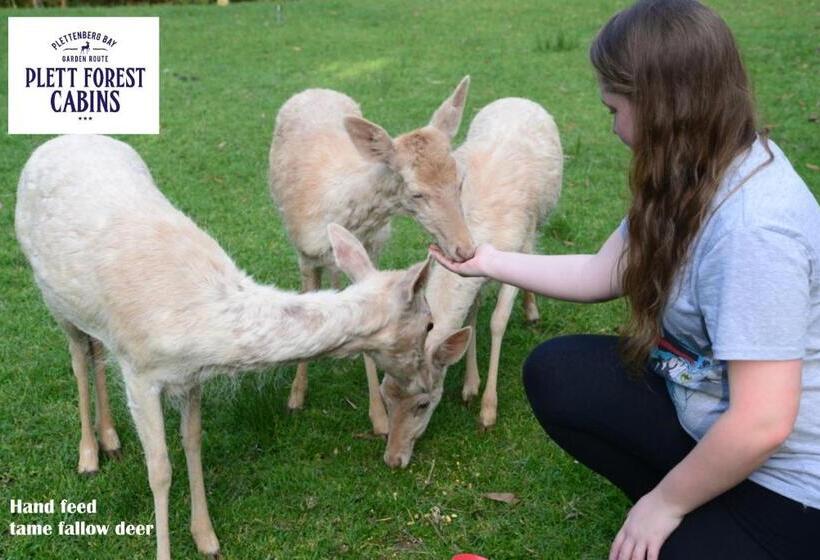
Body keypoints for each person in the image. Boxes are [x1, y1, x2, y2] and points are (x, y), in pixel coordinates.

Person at [429, 1, 819, 559]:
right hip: (710, 412)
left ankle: (693, 509)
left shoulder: (755, 229)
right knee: (558, 372)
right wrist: (488, 261)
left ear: (663, 107)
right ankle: (699, 502)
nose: (611, 124)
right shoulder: (693, 172)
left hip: (792, 486)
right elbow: (599, 273)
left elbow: (763, 422)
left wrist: (666, 503)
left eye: (614, 107)